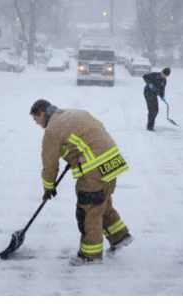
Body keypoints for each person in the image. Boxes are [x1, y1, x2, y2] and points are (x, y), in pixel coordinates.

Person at [30, 99, 133, 266]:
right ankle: (119, 236)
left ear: (42, 114)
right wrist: (76, 154)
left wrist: (48, 187)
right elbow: (97, 130)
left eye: (36, 120)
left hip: (94, 168)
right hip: (113, 162)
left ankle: (90, 255)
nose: (38, 124)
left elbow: (49, 164)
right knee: (101, 202)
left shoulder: (52, 130)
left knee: (88, 210)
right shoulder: (77, 113)